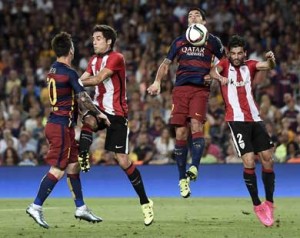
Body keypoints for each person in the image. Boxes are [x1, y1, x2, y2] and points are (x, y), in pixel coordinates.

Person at [26, 32, 110, 229]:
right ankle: (36, 205)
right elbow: (83, 99)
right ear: (71, 50)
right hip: (61, 126)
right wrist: (99, 114)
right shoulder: (70, 72)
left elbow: (71, 99)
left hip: (60, 124)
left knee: (73, 166)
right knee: (58, 169)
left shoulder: (52, 71)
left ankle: (81, 207)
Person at [77, 25, 154, 226]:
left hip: (117, 114)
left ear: (109, 41)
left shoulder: (116, 58)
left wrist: (74, 84)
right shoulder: (92, 60)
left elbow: (98, 79)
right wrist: (73, 83)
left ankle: (145, 202)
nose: (94, 41)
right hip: (99, 109)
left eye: (98, 38)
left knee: (122, 160)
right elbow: (82, 79)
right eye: (93, 38)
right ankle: (83, 154)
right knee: (89, 118)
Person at [147, 7, 225, 198]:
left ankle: (194, 167)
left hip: (200, 89)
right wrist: (157, 81)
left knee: (196, 125)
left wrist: (213, 74)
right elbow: (166, 64)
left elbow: (225, 62)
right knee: (181, 132)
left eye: (197, 14)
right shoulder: (179, 41)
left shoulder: (212, 41)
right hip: (180, 89)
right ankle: (182, 179)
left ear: (204, 22)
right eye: (190, 15)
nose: (193, 16)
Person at [209, 35, 276, 227]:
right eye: (233, 53)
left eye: (240, 53)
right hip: (236, 120)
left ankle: (269, 203)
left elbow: (269, 66)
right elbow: (213, 71)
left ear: (244, 54)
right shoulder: (224, 64)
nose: (236, 56)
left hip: (255, 118)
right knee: (248, 160)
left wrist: (271, 59)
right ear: (229, 53)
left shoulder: (251, 65)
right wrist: (220, 77)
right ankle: (257, 205)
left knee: (267, 159)